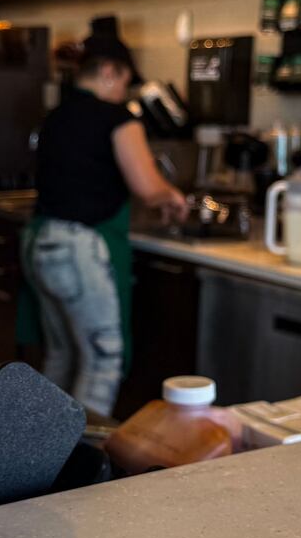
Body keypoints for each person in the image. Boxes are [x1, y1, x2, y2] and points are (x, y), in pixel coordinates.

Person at [21, 34, 188, 418]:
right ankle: (80, 454)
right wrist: (173, 197)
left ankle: (40, 448)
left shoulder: (57, 115)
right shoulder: (118, 118)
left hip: (41, 242)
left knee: (62, 355)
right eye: (125, 81)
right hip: (77, 249)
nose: (124, 92)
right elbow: (147, 187)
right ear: (110, 72)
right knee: (101, 361)